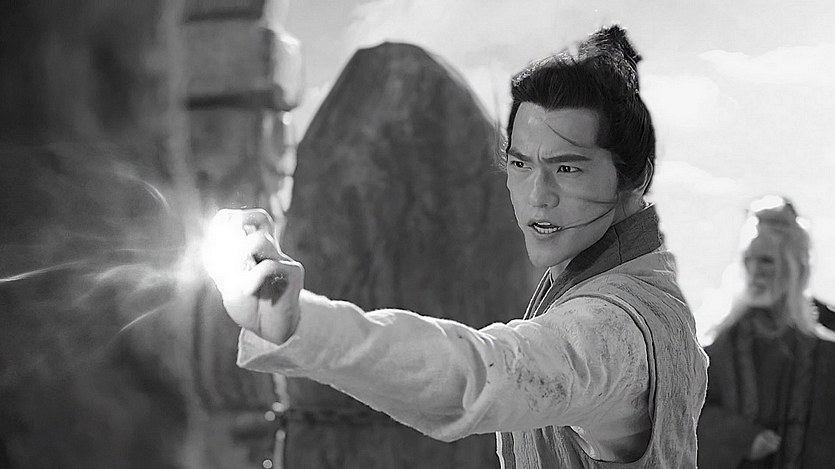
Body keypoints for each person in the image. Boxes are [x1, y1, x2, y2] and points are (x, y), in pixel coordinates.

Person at [207, 25, 707, 468]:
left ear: (633, 179)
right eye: (521, 164)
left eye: (568, 167)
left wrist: (297, 322)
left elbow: (482, 373)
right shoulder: (612, 287)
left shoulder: (614, 333)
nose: (538, 195)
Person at [697, 195, 835, 468]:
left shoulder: (827, 347)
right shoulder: (717, 342)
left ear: (793, 266)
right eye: (749, 259)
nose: (755, 271)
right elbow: (683, 412)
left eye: (766, 261)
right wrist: (740, 437)